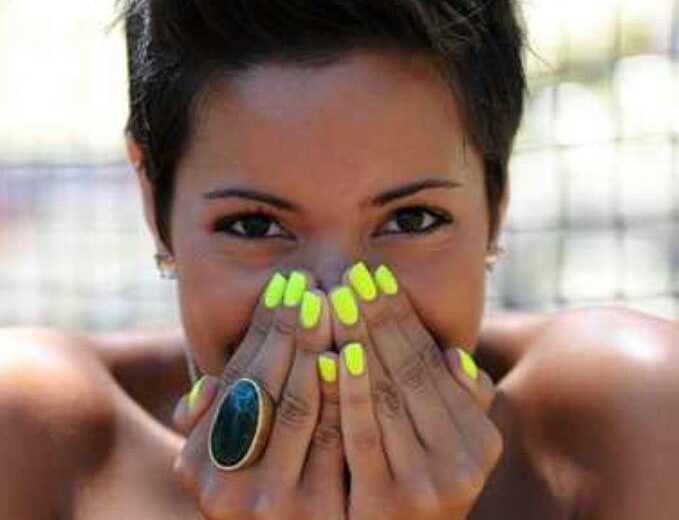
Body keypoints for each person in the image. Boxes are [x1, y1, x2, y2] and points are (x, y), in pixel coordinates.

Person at [1, 0, 677, 518]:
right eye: (253, 225)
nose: (331, 305)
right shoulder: (30, 442)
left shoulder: (634, 424)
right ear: (155, 204)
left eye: (411, 220)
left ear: (496, 203)